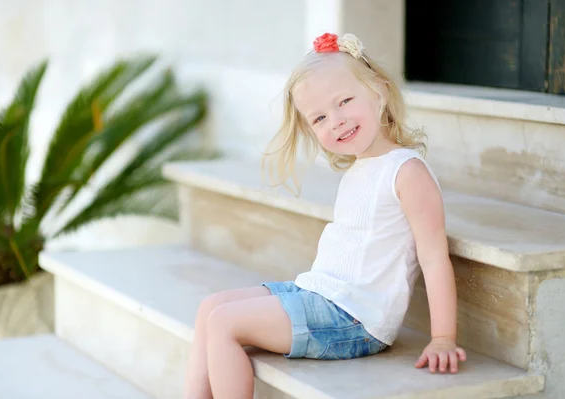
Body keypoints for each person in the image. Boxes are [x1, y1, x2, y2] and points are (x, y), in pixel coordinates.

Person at [183, 32, 466, 399]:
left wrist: (443, 337)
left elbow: (433, 256)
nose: (336, 121)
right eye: (319, 118)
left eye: (344, 101)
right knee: (210, 307)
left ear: (378, 92)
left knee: (225, 323)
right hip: (322, 293)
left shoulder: (406, 172)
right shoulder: (359, 169)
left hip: (354, 319)